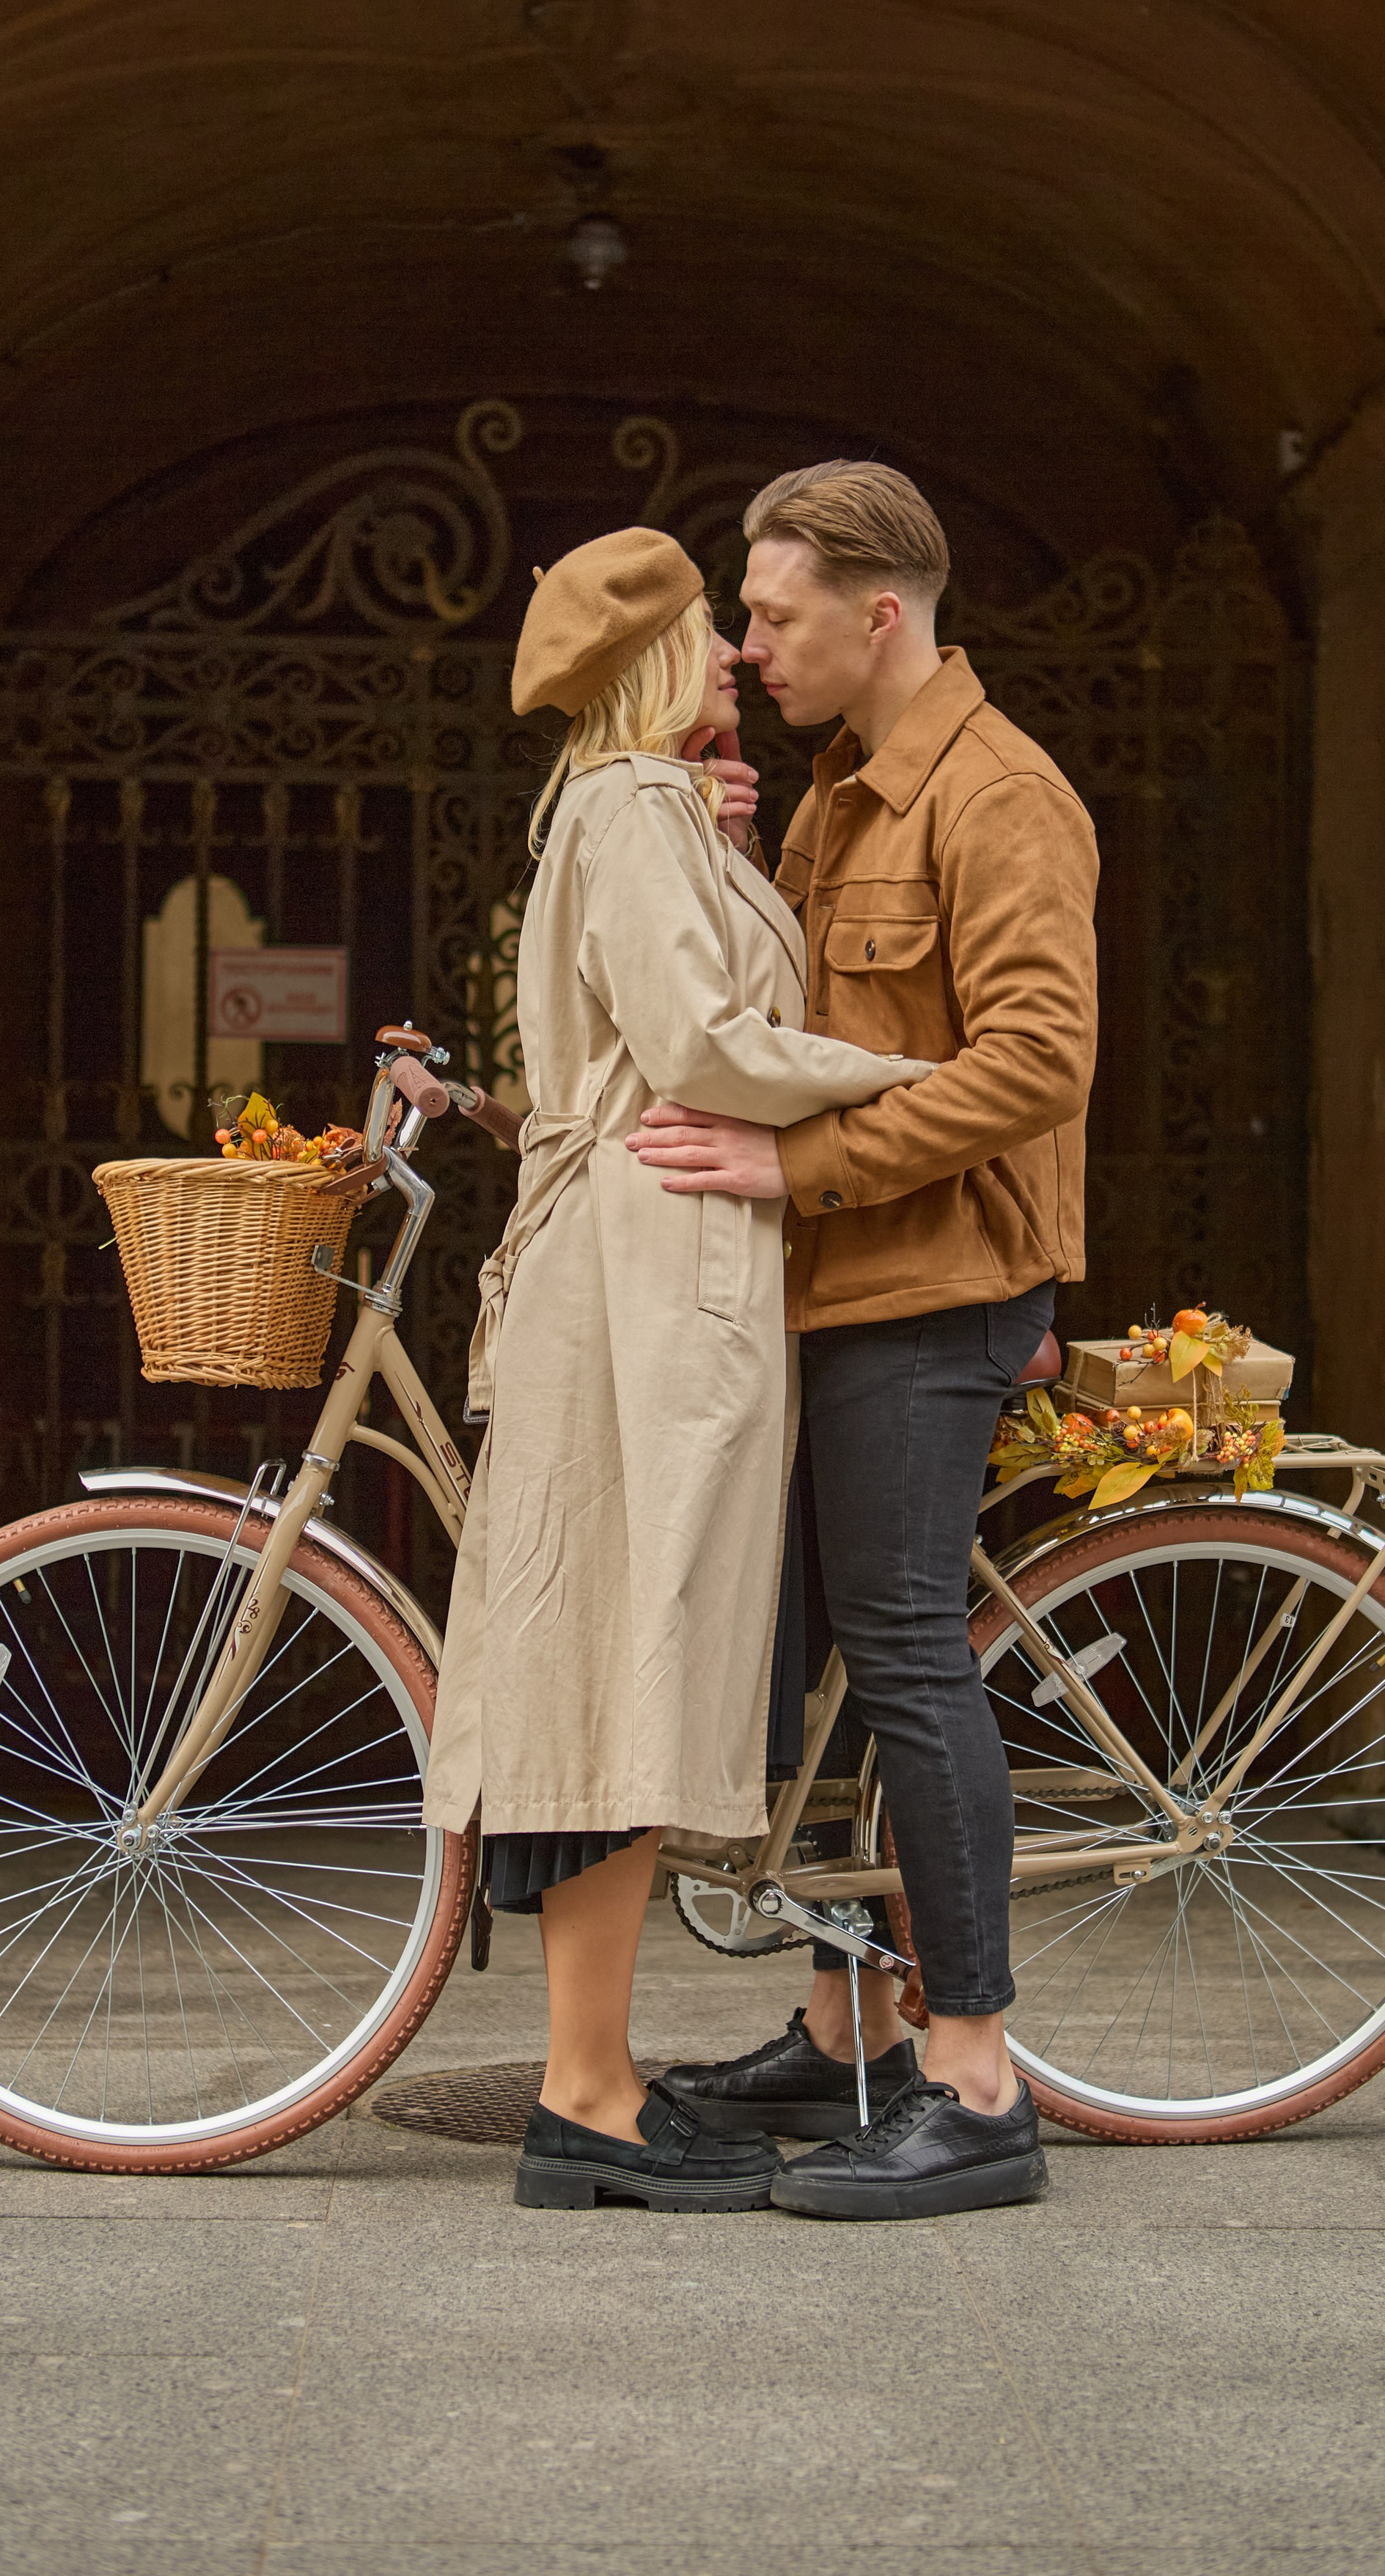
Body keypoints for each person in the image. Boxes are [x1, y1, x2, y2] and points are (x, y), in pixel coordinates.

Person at [422, 526, 933, 2214]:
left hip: (652, 1278)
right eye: (712, 632)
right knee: (612, 1669)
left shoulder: (642, 808)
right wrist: (904, 1074)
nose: (734, 656)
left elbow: (683, 1003)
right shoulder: (631, 811)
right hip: (646, 1287)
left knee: (610, 1663)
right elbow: (704, 1045)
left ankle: (602, 2080)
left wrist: (717, 852)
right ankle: (589, 2099)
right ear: (653, 654)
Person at [628, 462, 1099, 2221]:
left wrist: (790, 1162)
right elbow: (811, 1022)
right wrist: (736, 858)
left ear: (876, 614)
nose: (747, 646)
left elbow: (1037, 1061)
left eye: (770, 614)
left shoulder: (1000, 795)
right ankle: (846, 2035)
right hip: (839, 1288)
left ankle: (973, 2081)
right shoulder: (838, 798)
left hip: (936, 1291)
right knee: (831, 1678)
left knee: (906, 1656)